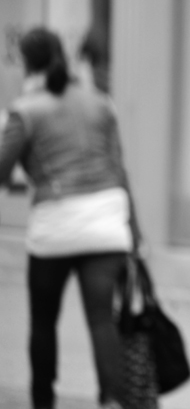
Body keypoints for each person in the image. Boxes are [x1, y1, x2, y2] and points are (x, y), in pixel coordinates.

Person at [0, 27, 137, 409]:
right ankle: (112, 401)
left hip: (55, 226)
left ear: (28, 64)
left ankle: (43, 401)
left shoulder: (25, 110)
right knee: (102, 320)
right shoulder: (101, 102)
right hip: (107, 223)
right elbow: (120, 170)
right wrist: (135, 232)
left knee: (43, 322)